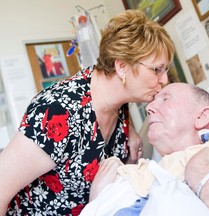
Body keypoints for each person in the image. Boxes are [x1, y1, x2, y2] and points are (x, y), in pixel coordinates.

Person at [0, 9, 175, 215]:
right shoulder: (59, 109)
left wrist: (131, 130)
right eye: (157, 69)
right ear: (121, 67)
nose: (164, 79)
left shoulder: (119, 97)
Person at [82, 83, 209, 215]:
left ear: (202, 116)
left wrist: (200, 172)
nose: (149, 107)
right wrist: (98, 200)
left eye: (165, 98)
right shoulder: (145, 175)